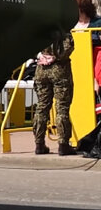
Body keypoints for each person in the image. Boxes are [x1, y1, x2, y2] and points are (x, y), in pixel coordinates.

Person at [32, 26, 75, 156]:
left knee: (41, 107)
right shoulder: (63, 28)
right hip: (60, 71)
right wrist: (54, 57)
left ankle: (39, 144)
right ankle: (63, 144)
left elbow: (28, 45)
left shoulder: (39, 28)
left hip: (41, 70)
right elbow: (68, 47)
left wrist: (41, 56)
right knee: (62, 107)